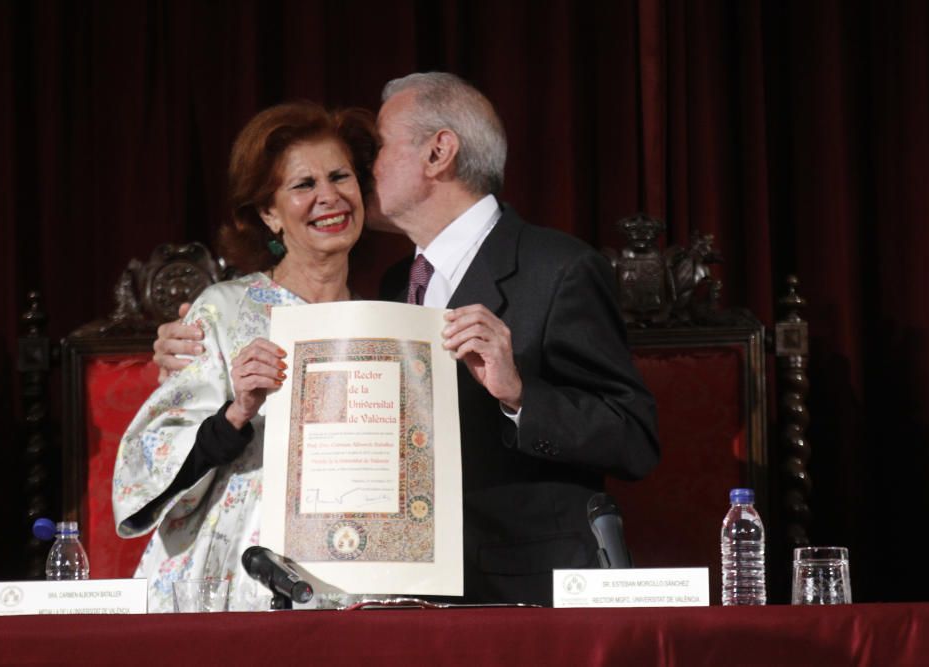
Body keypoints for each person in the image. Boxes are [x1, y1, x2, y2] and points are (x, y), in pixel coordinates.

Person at [154, 72, 659, 606]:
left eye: (379, 149)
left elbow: (634, 439)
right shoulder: (394, 286)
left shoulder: (559, 268)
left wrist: (518, 395)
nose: (367, 169)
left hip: (517, 587)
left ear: (439, 152)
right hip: (384, 588)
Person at [112, 101, 377, 612]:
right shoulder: (222, 310)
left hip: (353, 567)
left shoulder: (383, 321)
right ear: (268, 213)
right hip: (234, 571)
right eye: (304, 185)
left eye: (340, 176)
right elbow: (148, 460)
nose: (329, 197)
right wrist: (236, 413)